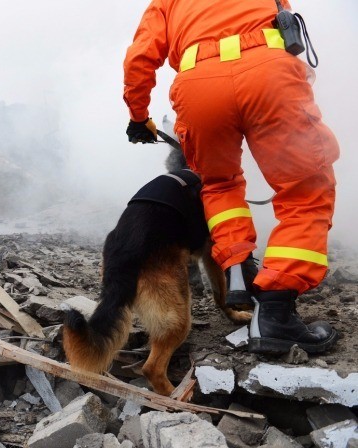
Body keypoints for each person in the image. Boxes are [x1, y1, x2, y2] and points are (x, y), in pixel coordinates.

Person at [123, 0, 340, 354]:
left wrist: (137, 115)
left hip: (199, 86)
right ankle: (276, 312)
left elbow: (140, 57)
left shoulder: (166, 2)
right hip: (268, 75)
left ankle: (238, 270)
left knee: (219, 184)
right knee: (305, 192)